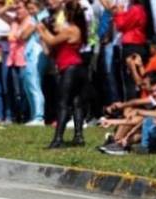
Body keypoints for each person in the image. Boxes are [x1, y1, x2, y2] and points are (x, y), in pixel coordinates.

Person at [36, 0, 88, 148]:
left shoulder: (71, 29)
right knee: (77, 103)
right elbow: (53, 45)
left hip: (70, 68)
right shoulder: (77, 29)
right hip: (77, 67)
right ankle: (78, 136)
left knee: (63, 103)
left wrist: (41, 29)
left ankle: (58, 138)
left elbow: (52, 41)